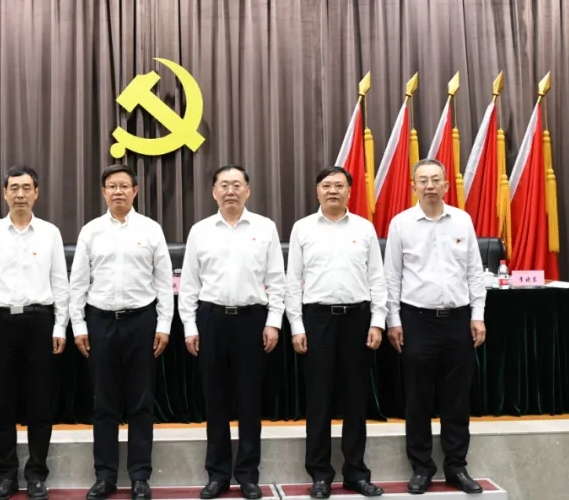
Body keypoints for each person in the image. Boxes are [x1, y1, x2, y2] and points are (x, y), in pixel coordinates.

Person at [179, 165, 286, 500]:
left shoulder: (265, 228)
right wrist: (190, 326)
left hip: (252, 321)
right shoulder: (200, 231)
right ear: (214, 192)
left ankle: (248, 476)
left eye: (236, 185)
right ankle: (218, 475)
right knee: (215, 402)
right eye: (224, 185)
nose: (230, 191)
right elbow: (189, 285)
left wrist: (273, 322)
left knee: (250, 401)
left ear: (247, 190)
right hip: (211, 321)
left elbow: (277, 281)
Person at [69, 163, 173, 500]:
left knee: (142, 402)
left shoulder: (151, 230)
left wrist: (164, 325)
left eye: (124, 186)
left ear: (135, 191)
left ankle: (140, 477)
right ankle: (105, 476)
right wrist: (79, 325)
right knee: (104, 403)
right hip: (100, 323)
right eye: (112, 186)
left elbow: (163, 282)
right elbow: (78, 283)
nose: (118, 191)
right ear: (103, 192)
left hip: (142, 322)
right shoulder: (91, 231)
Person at [384, 159, 487, 495]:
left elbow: (474, 272)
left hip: (458, 320)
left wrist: (477, 315)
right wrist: (393, 320)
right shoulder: (401, 224)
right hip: (416, 321)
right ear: (413, 186)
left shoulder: (462, 220)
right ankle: (422, 468)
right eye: (423, 180)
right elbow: (391, 277)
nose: (429, 185)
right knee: (418, 399)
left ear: (446, 185)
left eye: (435, 180)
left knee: (457, 399)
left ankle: (456, 467)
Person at [285, 166, 387, 498]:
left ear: (349, 191)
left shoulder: (364, 228)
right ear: (317, 191)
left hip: (357, 319)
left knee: (356, 399)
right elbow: (292, 282)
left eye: (339, 185)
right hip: (317, 320)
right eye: (326, 185)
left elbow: (377, 278)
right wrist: (297, 325)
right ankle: (320, 474)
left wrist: (377, 321)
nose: (332, 190)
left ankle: (356, 473)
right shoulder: (302, 228)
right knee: (319, 400)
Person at [0, 165, 69, 500]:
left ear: (36, 193)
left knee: (40, 404)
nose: (20, 194)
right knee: (2, 404)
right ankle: (6, 476)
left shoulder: (50, 233)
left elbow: (60, 282)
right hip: (0, 324)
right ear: (4, 193)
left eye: (27, 188)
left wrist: (60, 325)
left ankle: (37, 475)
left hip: (39, 322)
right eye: (14, 188)